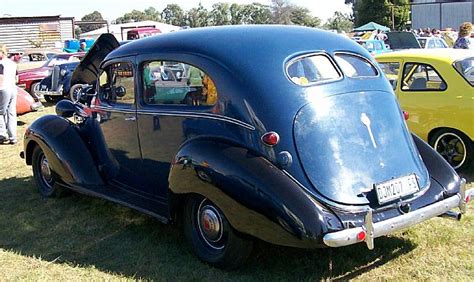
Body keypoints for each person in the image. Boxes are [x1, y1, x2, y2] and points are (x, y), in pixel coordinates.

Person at [0, 44, 18, 144]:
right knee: (11, 113)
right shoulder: (13, 63)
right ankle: (13, 137)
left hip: (3, 89)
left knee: (0, 112)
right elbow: (17, 78)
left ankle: (3, 134)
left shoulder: (1, 64)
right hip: (13, 88)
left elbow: (0, 78)